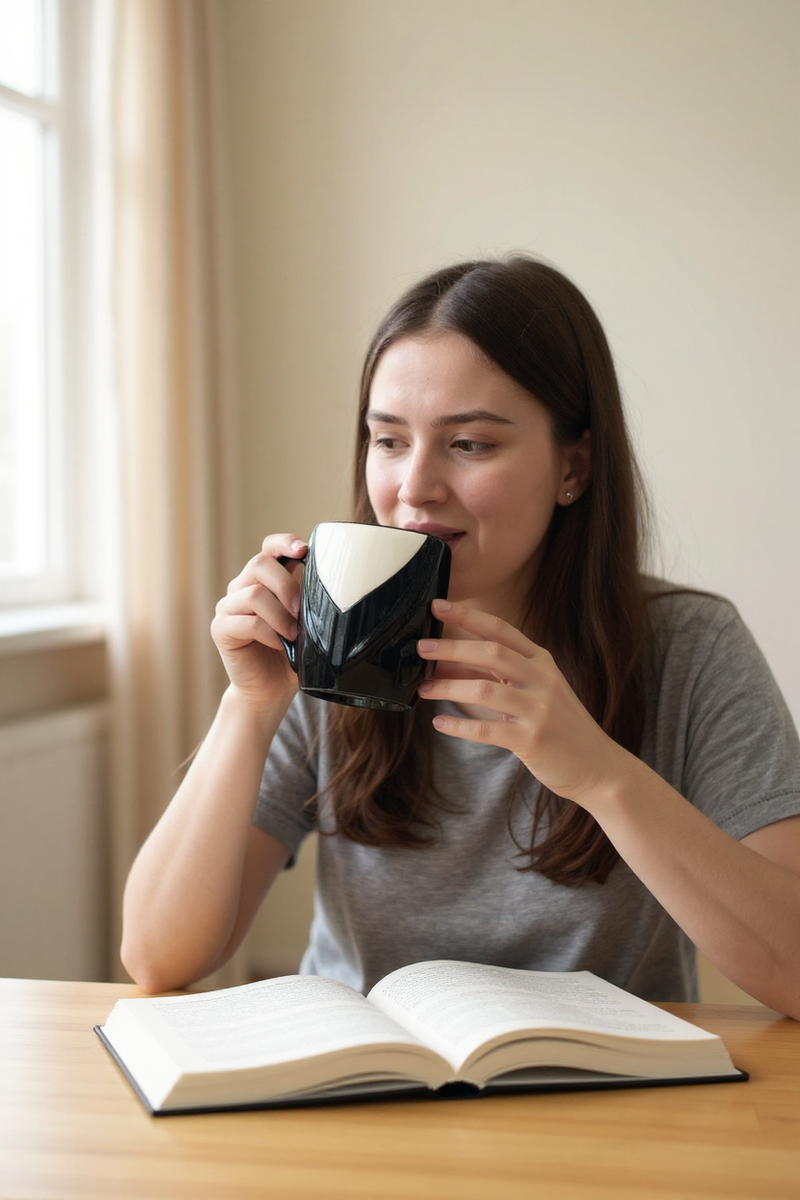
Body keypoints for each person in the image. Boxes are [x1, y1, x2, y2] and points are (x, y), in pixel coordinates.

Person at [121, 257, 800, 1017]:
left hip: (606, 1107)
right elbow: (157, 955)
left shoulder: (690, 647)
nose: (414, 488)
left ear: (573, 466)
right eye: (388, 440)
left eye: (469, 444)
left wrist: (602, 777)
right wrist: (248, 708)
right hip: (365, 1091)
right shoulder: (329, 636)